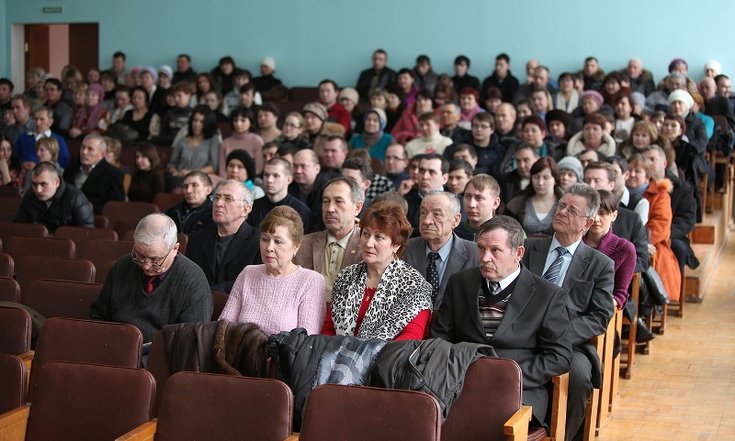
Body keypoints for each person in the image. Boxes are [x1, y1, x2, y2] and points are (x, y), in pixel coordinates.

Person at [430, 215, 573, 428]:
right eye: (481, 248)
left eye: (495, 250)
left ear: (519, 253)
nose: (485, 257)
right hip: (460, 384)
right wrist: (458, 373)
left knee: (488, 422)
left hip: (518, 390)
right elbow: (440, 339)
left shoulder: (548, 295)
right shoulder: (459, 282)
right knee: (427, 416)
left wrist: (508, 376)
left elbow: (559, 357)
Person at [522, 184, 614, 441]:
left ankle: (564, 436)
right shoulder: (527, 249)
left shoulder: (600, 264)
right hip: (520, 335)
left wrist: (558, 335)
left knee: (578, 379)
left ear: (588, 223)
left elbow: (600, 316)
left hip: (569, 343)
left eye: (572, 210)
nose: (562, 212)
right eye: (561, 205)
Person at [90, 213, 213, 343]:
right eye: (139, 255)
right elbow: (98, 316)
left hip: (163, 352)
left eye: (155, 260)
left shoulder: (193, 281)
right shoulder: (121, 267)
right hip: (116, 345)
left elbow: (191, 342)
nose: (146, 266)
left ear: (175, 249)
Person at [323, 200, 432, 340]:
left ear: (397, 244)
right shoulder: (346, 277)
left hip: (388, 354)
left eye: (379, 237)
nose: (368, 243)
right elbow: (328, 329)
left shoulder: (414, 286)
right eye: (366, 234)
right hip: (337, 352)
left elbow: (410, 339)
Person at [219, 205, 326, 335]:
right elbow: (223, 328)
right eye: (265, 239)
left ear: (296, 247)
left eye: (278, 241)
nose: (269, 247)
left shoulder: (311, 281)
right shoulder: (248, 273)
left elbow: (307, 340)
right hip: (240, 347)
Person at [404, 191, 478, 310]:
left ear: (456, 220)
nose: (427, 221)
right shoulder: (405, 249)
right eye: (423, 213)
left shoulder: (475, 254)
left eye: (437, 214)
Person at [294, 177, 364, 302]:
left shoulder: (368, 248)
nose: (330, 209)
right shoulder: (303, 245)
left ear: (357, 208)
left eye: (338, 201)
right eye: (326, 201)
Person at [187, 179, 261, 293]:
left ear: (245, 209)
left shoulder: (259, 241)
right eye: (216, 198)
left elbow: (255, 283)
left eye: (228, 198)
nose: (219, 203)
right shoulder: (196, 239)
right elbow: (188, 278)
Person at [626, 154, 681, 303]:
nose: (632, 175)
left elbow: (660, 226)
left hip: (652, 243)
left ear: (647, 176)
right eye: (629, 170)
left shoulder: (660, 195)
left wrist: (639, 243)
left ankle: (645, 305)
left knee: (647, 259)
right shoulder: (619, 193)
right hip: (627, 242)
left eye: (638, 171)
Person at [584, 190, 636, 310]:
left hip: (600, 308)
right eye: (592, 213)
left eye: (602, 213)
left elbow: (620, 294)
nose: (595, 218)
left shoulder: (625, 249)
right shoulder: (574, 241)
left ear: (614, 215)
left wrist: (597, 306)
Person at [14, 161, 94, 232]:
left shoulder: (76, 198)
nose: (38, 190)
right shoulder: (29, 196)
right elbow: (17, 227)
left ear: (56, 182)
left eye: (43, 184)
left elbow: (86, 233)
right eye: (34, 184)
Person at [62, 134, 124, 214]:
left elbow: (115, 207)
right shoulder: (71, 169)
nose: (84, 152)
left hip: (94, 217)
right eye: (82, 147)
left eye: (90, 149)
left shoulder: (113, 174)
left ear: (101, 154)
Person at [503, 157, 563, 237]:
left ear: (555, 180)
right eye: (536, 177)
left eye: (546, 178)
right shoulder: (516, 204)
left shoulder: (565, 205)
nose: (540, 182)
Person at [248, 158, 312, 232]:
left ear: (288, 180)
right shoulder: (253, 207)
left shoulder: (301, 211)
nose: (269, 180)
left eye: (276, 176)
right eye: (266, 175)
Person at [166, 106, 220, 189]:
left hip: (200, 181)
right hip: (180, 179)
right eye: (195, 120)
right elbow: (171, 164)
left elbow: (213, 167)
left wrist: (191, 172)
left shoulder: (213, 140)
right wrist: (174, 172)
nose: (197, 124)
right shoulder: (182, 141)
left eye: (201, 122)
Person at [404, 153, 448, 236]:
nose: (425, 177)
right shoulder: (406, 201)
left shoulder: (454, 203)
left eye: (432, 172)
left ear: (444, 179)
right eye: (422, 171)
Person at [164, 171, 214, 235]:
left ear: (208, 190)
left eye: (195, 185)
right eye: (185, 186)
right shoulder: (175, 210)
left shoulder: (214, 213)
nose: (188, 191)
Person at [219, 107, 264, 177]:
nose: (238, 124)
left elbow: (259, 169)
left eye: (243, 120)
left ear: (250, 122)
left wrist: (243, 179)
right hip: (228, 180)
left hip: (251, 180)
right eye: (235, 120)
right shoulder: (225, 143)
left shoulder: (257, 141)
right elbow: (222, 170)